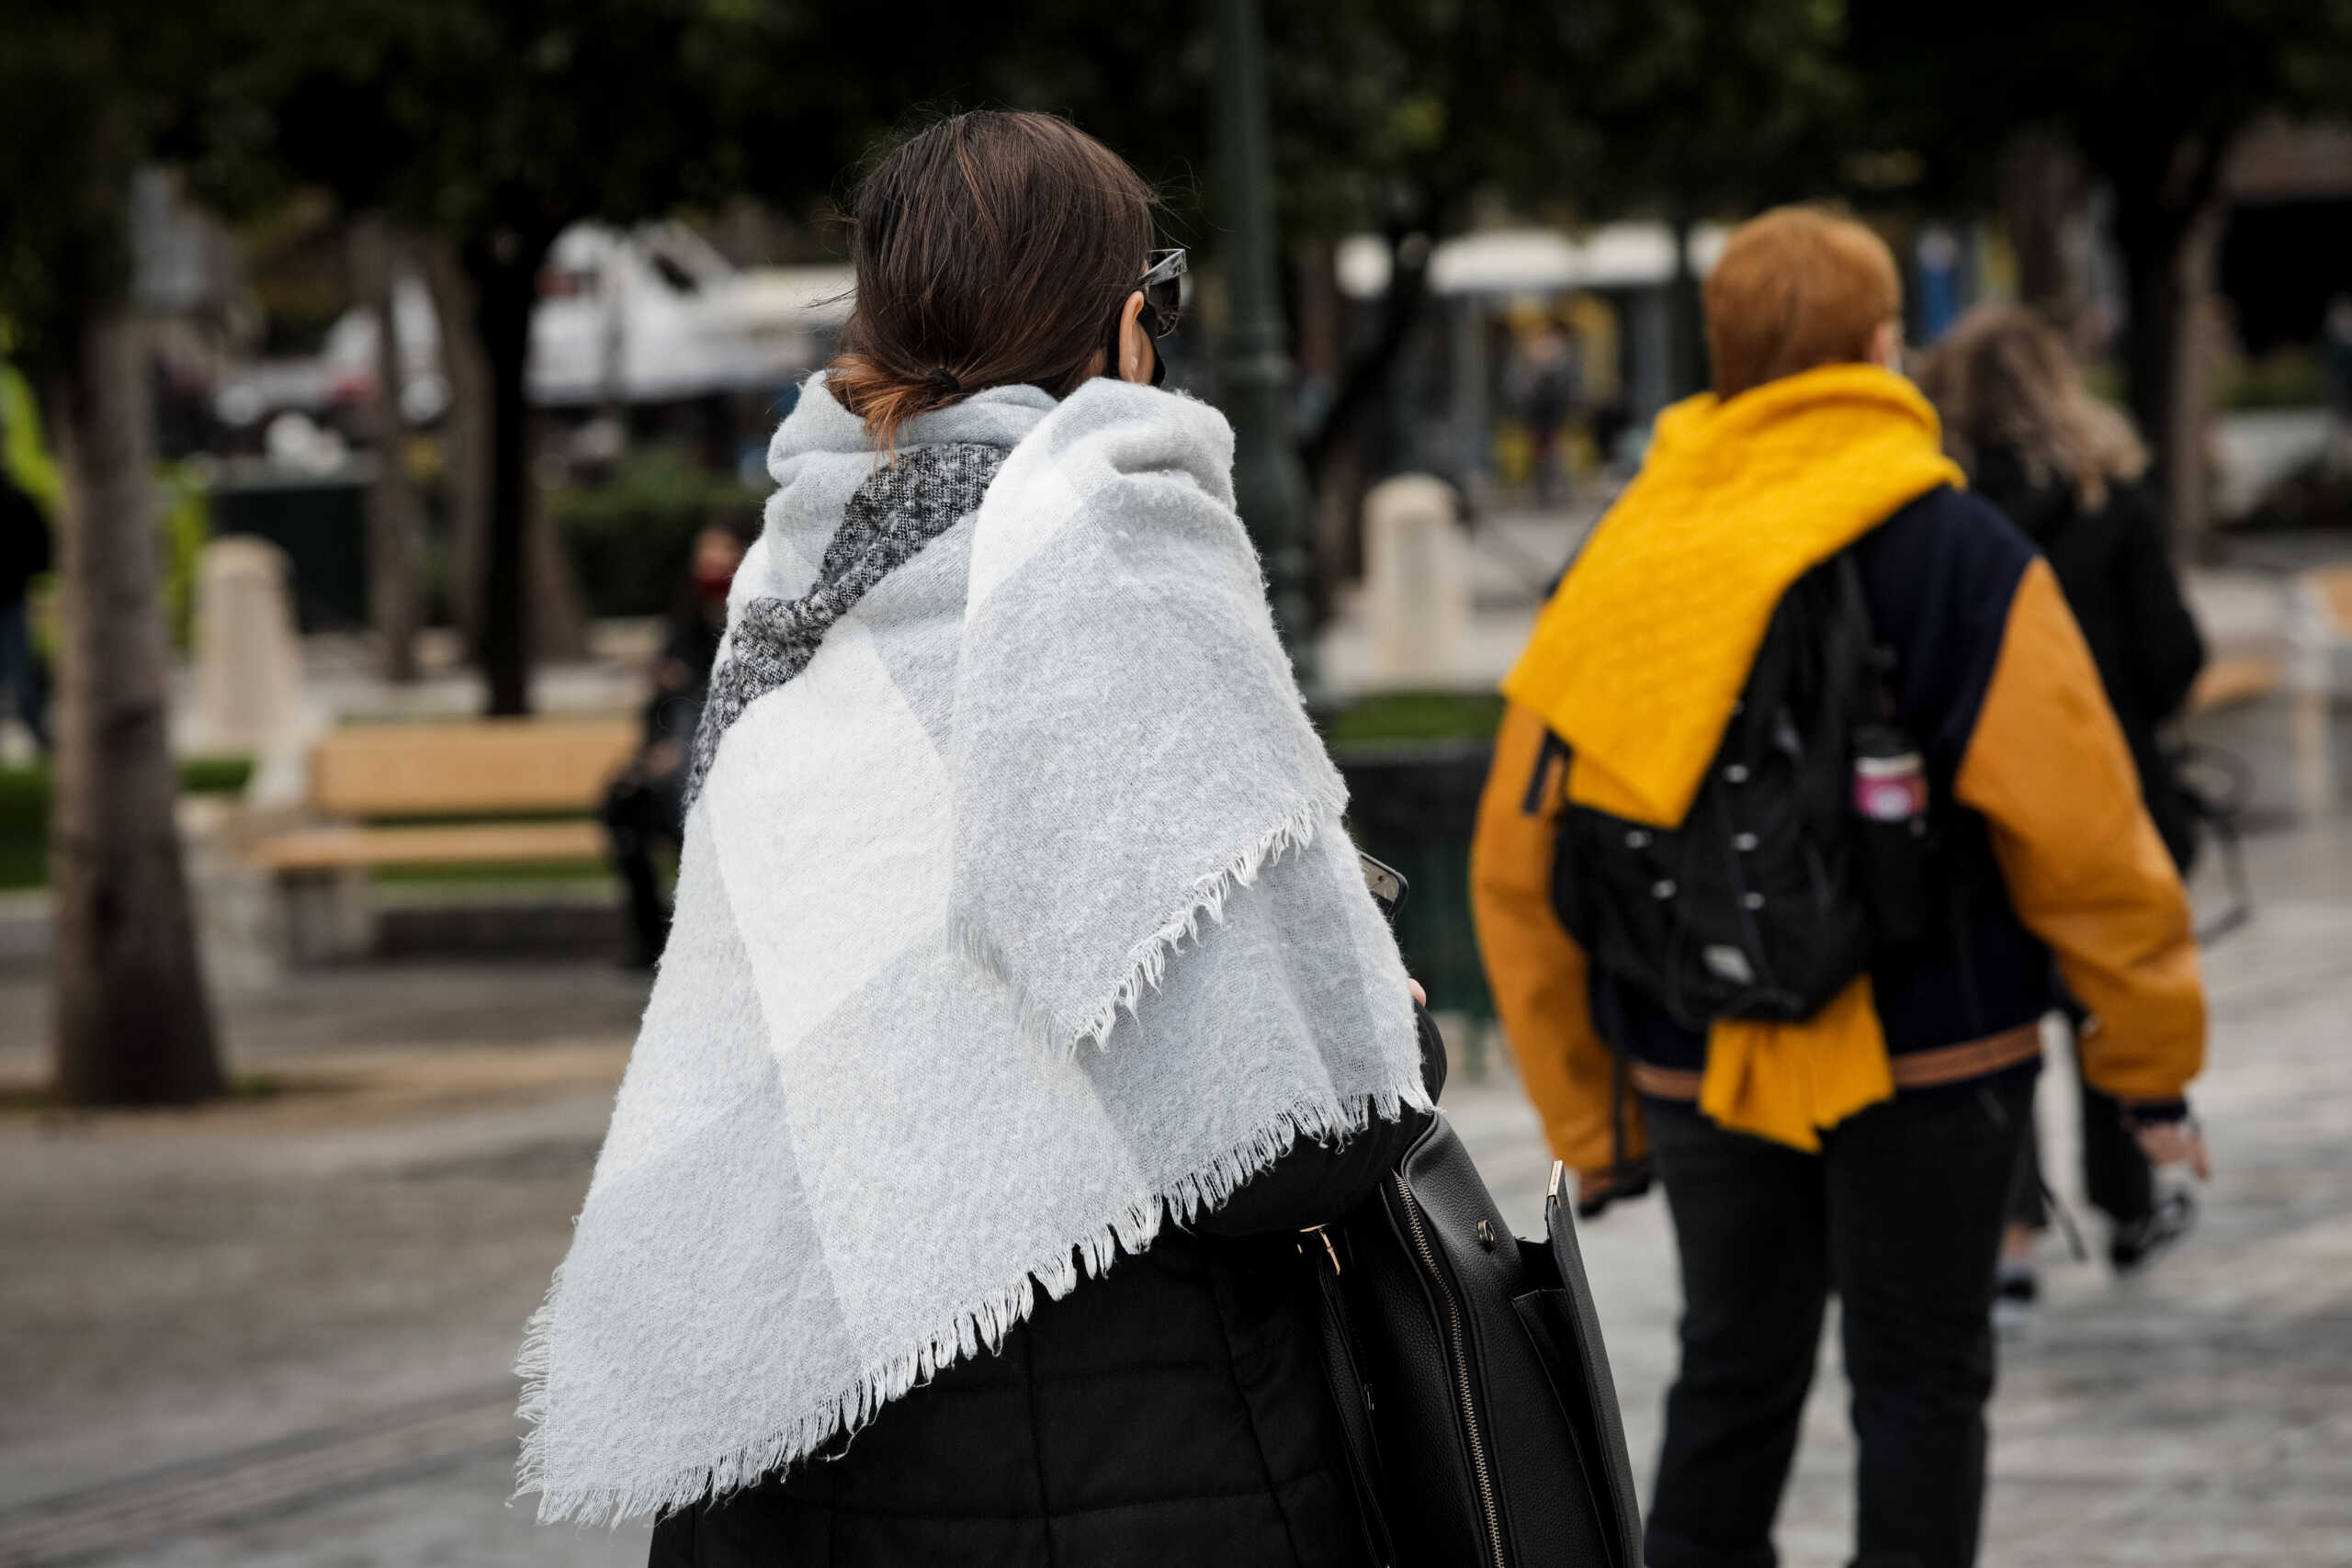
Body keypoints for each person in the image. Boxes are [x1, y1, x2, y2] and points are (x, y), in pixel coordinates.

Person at [518, 110, 1440, 1568]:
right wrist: (1389, 1033)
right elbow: (1289, 1136)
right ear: (1130, 323)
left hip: (791, 1454)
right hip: (1144, 1457)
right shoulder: (1118, 550)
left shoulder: (791, 577)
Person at [1470, 208, 2208, 1568]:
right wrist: (2146, 1066)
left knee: (1730, 1381)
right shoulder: (1961, 549)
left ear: (1722, 353)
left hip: (1702, 1045)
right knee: (1923, 1382)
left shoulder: (1623, 560)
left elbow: (1517, 862)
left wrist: (1593, 1109)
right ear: (1883, 345)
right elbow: (2091, 844)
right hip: (1942, 1043)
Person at [1918, 305, 2209, 1310]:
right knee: (2104, 989)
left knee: (1998, 1025)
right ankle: (2128, 1202)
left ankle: (2011, 1235)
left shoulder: (1937, 513)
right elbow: (2173, 654)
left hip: (1977, 806)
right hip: (2105, 784)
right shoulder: (2110, 500)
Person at [601, 523, 744, 967]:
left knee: (690, 799)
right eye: (705, 554)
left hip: (734, 766)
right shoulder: (683, 627)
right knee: (621, 806)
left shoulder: (756, 616)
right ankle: (651, 936)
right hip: (676, 763)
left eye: (723, 553)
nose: (712, 564)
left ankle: (702, 934)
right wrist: (655, 749)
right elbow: (662, 706)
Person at [0, 361, 58, 754]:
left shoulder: (14, 496)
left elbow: (39, 545)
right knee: (21, 674)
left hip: (10, 599)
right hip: (12, 596)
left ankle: (41, 737)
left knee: (23, 676)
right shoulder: (14, 494)